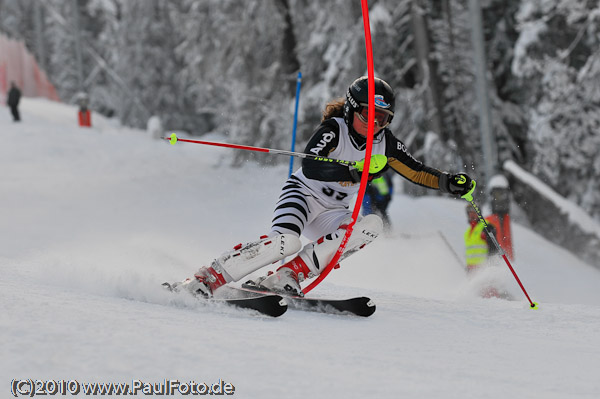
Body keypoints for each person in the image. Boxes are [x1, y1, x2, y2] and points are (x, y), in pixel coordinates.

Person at [173, 76, 474, 297]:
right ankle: (208, 277)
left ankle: (287, 275)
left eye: (382, 118)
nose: (375, 125)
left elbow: (417, 171)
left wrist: (449, 182)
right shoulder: (334, 130)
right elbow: (313, 165)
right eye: (369, 115)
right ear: (352, 110)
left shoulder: (386, 143)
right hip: (303, 196)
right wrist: (356, 173)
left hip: (333, 211)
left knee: (370, 225)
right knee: (286, 243)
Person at [464, 204, 498, 273]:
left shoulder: (486, 226)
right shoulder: (468, 231)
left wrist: (491, 265)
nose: (472, 215)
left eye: (474, 212)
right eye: (470, 213)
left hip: (483, 268)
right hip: (471, 270)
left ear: (479, 213)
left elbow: (494, 248)